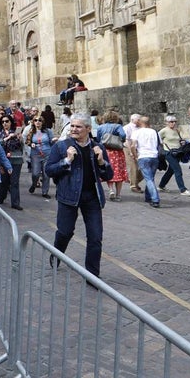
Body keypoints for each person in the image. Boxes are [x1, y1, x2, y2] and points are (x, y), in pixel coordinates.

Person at [45, 113, 113, 278]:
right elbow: (49, 170)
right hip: (68, 196)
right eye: (72, 126)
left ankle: (92, 276)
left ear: (88, 129)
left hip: (92, 197)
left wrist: (101, 161)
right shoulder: (61, 147)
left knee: (95, 237)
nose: (73, 129)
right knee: (65, 232)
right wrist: (67, 161)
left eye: (78, 126)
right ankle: (57, 254)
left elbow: (109, 175)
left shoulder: (98, 147)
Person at [157, 116, 190, 196]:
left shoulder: (177, 130)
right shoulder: (164, 131)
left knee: (171, 170)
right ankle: (183, 189)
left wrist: (183, 142)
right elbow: (156, 139)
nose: (173, 123)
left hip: (177, 152)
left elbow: (180, 139)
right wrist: (162, 145)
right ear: (166, 122)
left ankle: (161, 186)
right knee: (178, 170)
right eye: (171, 122)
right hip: (168, 152)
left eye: (175, 121)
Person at [129, 116, 162, 207]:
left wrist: (135, 156)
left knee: (148, 178)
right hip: (154, 156)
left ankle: (155, 199)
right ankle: (148, 196)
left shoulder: (136, 132)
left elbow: (133, 146)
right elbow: (160, 144)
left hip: (143, 156)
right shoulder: (154, 132)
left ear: (140, 122)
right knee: (150, 177)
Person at [96, 110, 128, 201]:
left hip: (106, 151)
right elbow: (123, 135)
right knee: (119, 171)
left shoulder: (100, 127)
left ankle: (111, 190)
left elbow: (98, 139)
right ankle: (118, 194)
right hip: (117, 151)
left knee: (109, 169)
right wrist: (121, 140)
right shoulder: (118, 126)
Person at [0, 115, 25, 210]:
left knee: (14, 182)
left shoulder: (16, 132)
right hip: (4, 160)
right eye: (3, 122)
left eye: (7, 121)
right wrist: (8, 137)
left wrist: (20, 138)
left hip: (16, 160)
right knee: (4, 181)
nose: (5, 123)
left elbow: (22, 145)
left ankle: (15, 203)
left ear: (11, 122)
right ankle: (2, 196)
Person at [26, 116, 55, 199]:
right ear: (33, 122)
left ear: (42, 122)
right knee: (35, 173)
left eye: (39, 120)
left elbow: (51, 141)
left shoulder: (47, 131)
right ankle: (34, 184)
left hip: (47, 154)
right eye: (35, 120)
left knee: (46, 174)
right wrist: (31, 144)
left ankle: (45, 192)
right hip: (35, 155)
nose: (37, 122)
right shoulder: (31, 131)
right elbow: (27, 141)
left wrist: (53, 141)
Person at [122, 113, 144, 193]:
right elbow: (126, 140)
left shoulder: (140, 128)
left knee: (143, 167)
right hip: (129, 148)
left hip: (139, 148)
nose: (139, 121)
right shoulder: (127, 128)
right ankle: (134, 185)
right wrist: (130, 151)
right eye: (138, 119)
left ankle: (134, 181)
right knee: (133, 167)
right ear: (132, 120)